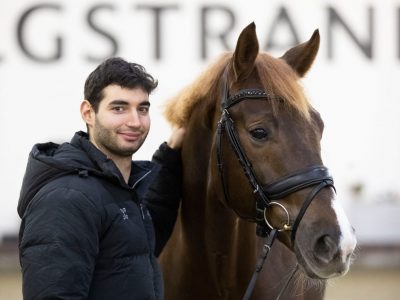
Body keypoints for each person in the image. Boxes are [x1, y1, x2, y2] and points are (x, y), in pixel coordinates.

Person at [17, 57, 185, 299]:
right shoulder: (67, 199)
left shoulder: (119, 189)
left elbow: (141, 242)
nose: (135, 121)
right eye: (119, 108)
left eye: (142, 109)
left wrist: (171, 153)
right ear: (89, 113)